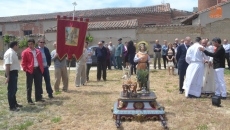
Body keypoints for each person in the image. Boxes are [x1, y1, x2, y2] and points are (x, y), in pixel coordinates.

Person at [21, 39, 44, 105]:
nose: (30, 45)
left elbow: (40, 60)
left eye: (31, 44)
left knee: (38, 84)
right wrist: (25, 69)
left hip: (37, 69)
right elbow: (23, 62)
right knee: (29, 86)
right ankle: (29, 99)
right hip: (30, 70)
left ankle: (38, 98)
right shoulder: (25, 52)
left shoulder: (38, 51)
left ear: (34, 44)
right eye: (29, 44)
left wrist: (41, 68)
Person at [3, 41, 22, 111]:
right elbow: (7, 65)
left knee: (14, 89)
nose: (18, 46)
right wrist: (8, 76)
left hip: (14, 72)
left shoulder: (12, 52)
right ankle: (12, 107)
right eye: (18, 45)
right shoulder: (10, 53)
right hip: (11, 73)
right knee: (11, 90)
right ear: (15, 45)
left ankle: (14, 103)